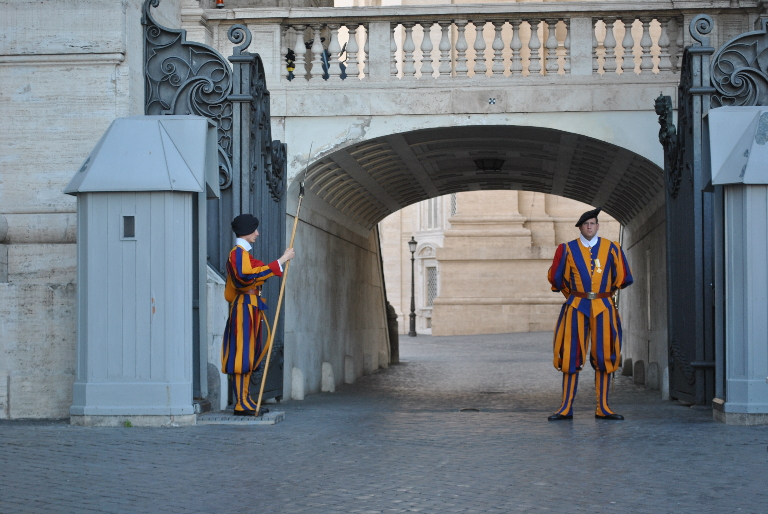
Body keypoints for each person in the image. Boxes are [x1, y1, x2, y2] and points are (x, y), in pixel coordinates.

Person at [546, 207, 633, 421]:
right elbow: (556, 279)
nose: (589, 227)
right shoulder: (566, 249)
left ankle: (603, 407)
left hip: (604, 306)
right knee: (570, 354)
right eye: (586, 224)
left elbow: (623, 278)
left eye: (593, 223)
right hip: (576, 306)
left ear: (597, 225)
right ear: (580, 227)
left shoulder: (612, 248)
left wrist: (605, 294)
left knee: (605, 356)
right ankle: (565, 408)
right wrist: (572, 295)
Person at [222, 214, 295, 416]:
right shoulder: (237, 254)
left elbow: (257, 270)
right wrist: (280, 261)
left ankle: (246, 399)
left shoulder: (245, 255)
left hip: (252, 307)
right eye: (254, 229)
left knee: (250, 354)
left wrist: (277, 264)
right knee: (242, 355)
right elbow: (246, 278)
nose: (257, 233)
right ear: (246, 231)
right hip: (244, 306)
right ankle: (241, 403)